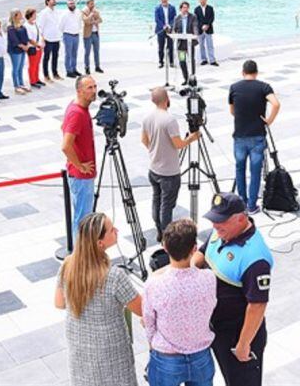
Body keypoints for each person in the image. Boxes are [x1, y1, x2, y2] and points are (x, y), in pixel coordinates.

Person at [192, 193, 273, 386]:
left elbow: (257, 306)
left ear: (241, 219)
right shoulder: (222, 232)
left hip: (237, 335)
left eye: (221, 221)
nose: (215, 226)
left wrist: (244, 344)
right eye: (214, 220)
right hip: (217, 328)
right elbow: (202, 254)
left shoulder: (255, 257)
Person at [54, 212, 142, 386]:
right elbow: (142, 309)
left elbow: (59, 303)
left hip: (79, 348)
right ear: (100, 243)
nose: (116, 230)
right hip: (111, 353)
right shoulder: (114, 275)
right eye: (111, 230)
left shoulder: (68, 265)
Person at [143, 218, 217, 386]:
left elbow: (149, 322)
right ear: (194, 249)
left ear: (165, 247)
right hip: (201, 354)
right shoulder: (208, 278)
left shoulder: (154, 284)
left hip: (166, 357)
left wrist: (153, 346)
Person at [141, 87, 200, 240]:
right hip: (169, 172)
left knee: (157, 199)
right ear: (167, 98)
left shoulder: (147, 117)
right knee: (166, 205)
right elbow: (178, 144)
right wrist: (192, 138)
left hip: (154, 169)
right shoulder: (169, 119)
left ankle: (159, 230)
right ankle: (167, 235)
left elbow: (144, 140)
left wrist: (155, 150)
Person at [229, 60, 280, 213]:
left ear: (243, 72)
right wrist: (269, 120)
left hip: (240, 136)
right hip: (257, 135)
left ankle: (242, 203)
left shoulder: (234, 87)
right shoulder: (264, 87)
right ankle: (252, 206)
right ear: (256, 73)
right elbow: (276, 104)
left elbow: (232, 110)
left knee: (240, 169)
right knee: (255, 171)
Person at [62, 76, 98, 239]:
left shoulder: (78, 108)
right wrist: (80, 165)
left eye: (94, 86)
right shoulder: (77, 113)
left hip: (82, 175)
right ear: (79, 91)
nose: (94, 91)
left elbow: (64, 127)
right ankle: (80, 259)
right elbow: (65, 145)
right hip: (81, 177)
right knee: (83, 220)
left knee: (83, 217)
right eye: (89, 88)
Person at [172, 1, 201, 85]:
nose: (185, 9)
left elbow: (195, 26)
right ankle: (186, 78)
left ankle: (192, 78)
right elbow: (174, 29)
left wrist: (195, 34)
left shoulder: (193, 17)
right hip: (181, 44)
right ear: (180, 8)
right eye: (184, 7)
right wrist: (173, 33)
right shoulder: (177, 18)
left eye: (187, 7)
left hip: (190, 43)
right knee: (182, 61)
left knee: (191, 60)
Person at [38, 0, 63, 81]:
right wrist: (42, 38)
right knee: (46, 57)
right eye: (52, 0)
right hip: (47, 38)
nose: (54, 1)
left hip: (56, 38)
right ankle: (46, 75)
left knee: (55, 57)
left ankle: (55, 73)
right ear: (47, 1)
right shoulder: (44, 12)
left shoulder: (56, 12)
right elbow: (40, 26)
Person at [6, 9, 30, 94]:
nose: (21, 14)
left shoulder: (21, 26)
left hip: (23, 49)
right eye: (19, 13)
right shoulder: (11, 27)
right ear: (15, 15)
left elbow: (26, 36)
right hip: (15, 50)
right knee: (15, 68)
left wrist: (26, 45)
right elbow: (14, 40)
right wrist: (23, 46)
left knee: (20, 68)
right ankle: (16, 86)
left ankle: (21, 84)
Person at [60, 0, 83, 78]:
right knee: (68, 54)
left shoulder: (78, 12)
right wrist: (65, 33)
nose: (72, 5)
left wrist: (78, 30)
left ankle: (74, 69)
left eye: (73, 3)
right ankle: (68, 71)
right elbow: (61, 26)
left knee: (74, 54)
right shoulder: (64, 14)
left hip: (76, 35)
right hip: (68, 35)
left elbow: (79, 23)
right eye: (70, 4)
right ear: (67, 5)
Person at [24, 8, 46, 89]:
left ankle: (37, 79)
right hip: (33, 47)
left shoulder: (35, 24)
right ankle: (32, 81)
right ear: (30, 15)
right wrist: (37, 45)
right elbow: (29, 39)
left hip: (39, 47)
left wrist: (43, 42)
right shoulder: (26, 26)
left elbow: (40, 34)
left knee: (37, 64)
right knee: (32, 65)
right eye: (34, 14)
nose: (36, 15)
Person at [82, 0, 104, 74]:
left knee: (96, 51)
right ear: (87, 4)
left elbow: (100, 20)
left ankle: (97, 67)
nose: (93, 5)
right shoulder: (84, 11)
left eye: (93, 3)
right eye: (91, 3)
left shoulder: (96, 11)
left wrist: (94, 21)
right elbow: (86, 21)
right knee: (87, 52)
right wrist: (91, 15)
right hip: (88, 35)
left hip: (95, 34)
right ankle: (87, 68)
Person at [154, 0, 177, 69]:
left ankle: (171, 62)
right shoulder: (157, 8)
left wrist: (169, 26)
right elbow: (157, 19)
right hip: (160, 30)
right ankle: (161, 62)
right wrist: (164, 26)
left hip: (170, 30)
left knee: (171, 46)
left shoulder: (172, 8)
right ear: (161, 0)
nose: (164, 0)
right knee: (161, 47)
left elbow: (174, 18)